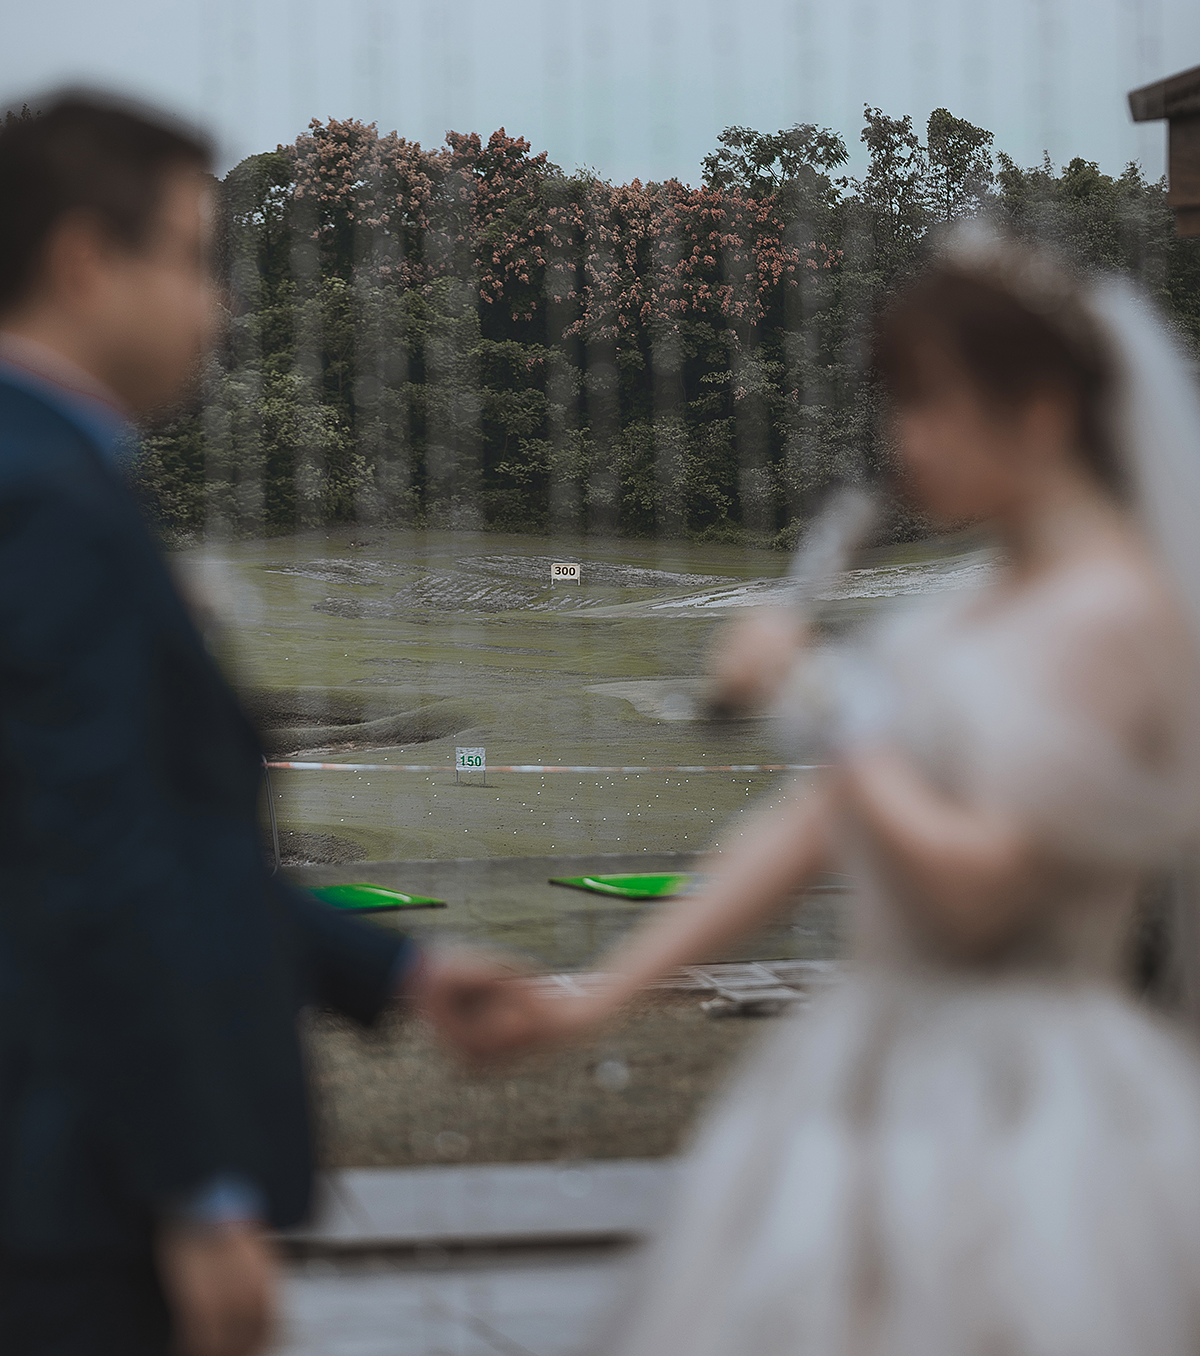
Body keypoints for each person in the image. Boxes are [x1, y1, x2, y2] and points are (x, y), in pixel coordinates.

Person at [438, 222, 1200, 1356]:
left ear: (1041, 411)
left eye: (930, 402)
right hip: (866, 1075)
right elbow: (811, 827)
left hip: (1030, 1111)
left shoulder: (1116, 616)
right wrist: (592, 998)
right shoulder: (958, 613)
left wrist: (822, 701)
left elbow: (977, 892)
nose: (904, 440)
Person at [0, 91, 504, 1356]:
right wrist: (198, 1190)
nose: (216, 306)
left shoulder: (47, 474)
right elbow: (94, 870)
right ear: (82, 259)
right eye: (190, 259)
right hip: (75, 1202)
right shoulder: (50, 502)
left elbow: (137, 841)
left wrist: (393, 971)